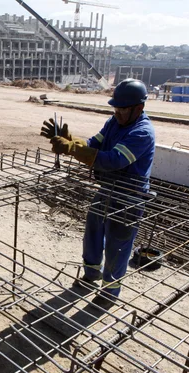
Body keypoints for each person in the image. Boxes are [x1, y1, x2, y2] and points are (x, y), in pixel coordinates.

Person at [41, 79, 155, 305]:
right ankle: (92, 273)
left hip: (129, 196)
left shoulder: (142, 133)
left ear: (138, 108)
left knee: (118, 244)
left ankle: (109, 292)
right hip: (108, 188)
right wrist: (72, 139)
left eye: (123, 109)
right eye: (116, 108)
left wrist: (72, 149)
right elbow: (95, 143)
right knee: (93, 231)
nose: (118, 113)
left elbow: (113, 160)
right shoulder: (114, 122)